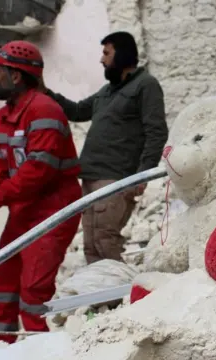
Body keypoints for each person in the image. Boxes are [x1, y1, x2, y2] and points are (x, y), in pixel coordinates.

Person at [0, 40, 82, 344]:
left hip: (54, 211)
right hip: (25, 210)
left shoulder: (45, 111)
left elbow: (38, 172)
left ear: (16, 76)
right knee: (2, 278)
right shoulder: (6, 115)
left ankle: (37, 348)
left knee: (33, 290)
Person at [41, 31, 168, 264]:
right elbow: (78, 111)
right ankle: (104, 300)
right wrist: (46, 93)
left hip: (115, 179)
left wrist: (142, 176)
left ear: (122, 55)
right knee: (91, 245)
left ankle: (123, 295)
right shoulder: (106, 92)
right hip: (90, 178)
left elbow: (156, 132)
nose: (102, 60)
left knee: (104, 240)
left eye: (106, 53)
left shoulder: (145, 85)